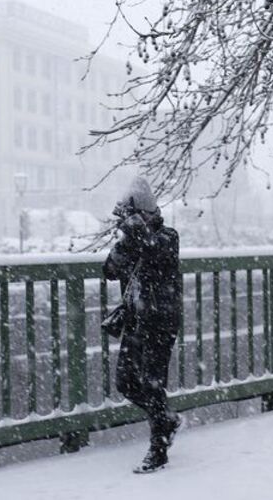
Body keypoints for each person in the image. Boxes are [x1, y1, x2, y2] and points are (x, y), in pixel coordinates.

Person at [103, 177, 183, 473]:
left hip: (160, 322)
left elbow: (155, 251)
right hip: (136, 322)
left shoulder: (167, 237)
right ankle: (167, 420)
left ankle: (158, 449)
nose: (121, 222)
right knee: (125, 382)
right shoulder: (130, 241)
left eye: (127, 215)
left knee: (153, 383)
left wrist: (137, 232)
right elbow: (109, 270)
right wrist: (126, 240)